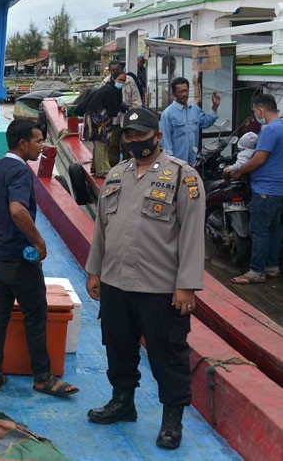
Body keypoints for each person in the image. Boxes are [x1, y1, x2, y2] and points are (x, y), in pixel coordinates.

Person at [85, 108, 205, 450]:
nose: (134, 141)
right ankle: (123, 402)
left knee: (167, 354)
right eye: (129, 135)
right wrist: (95, 270)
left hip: (160, 287)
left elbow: (193, 235)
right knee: (118, 346)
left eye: (141, 135)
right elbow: (102, 229)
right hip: (115, 282)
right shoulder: (116, 175)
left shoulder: (183, 177)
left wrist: (187, 285)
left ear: (158, 136)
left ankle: (172, 418)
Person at [0, 119, 79, 397]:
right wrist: (38, 240)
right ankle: (43, 377)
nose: (42, 146)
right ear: (23, 143)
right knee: (35, 316)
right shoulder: (21, 173)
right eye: (38, 141)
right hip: (19, 260)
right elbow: (16, 209)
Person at [230, 94, 283, 284]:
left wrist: (239, 171)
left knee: (259, 230)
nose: (256, 116)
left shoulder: (269, 131)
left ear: (260, 110)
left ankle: (256, 271)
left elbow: (259, 159)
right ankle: (272, 266)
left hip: (265, 189)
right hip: (279, 190)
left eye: (255, 112)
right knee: (274, 230)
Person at [159, 77, 220, 165]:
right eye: (181, 92)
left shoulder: (194, 109)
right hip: (176, 163)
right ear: (174, 93)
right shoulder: (167, 113)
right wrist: (170, 163)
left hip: (193, 162)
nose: (184, 94)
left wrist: (215, 107)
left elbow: (205, 123)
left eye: (186, 91)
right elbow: (165, 141)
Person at [83, 71, 127, 177]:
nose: (122, 82)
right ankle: (102, 170)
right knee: (101, 143)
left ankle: (95, 166)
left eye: (124, 81)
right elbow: (111, 108)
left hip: (100, 118)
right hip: (96, 119)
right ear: (113, 79)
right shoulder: (110, 90)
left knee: (100, 143)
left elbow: (115, 107)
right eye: (120, 80)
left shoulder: (113, 89)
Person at [103, 60, 143, 168]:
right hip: (113, 121)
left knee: (127, 144)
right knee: (112, 145)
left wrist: (133, 114)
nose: (116, 72)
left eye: (118, 69)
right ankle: (113, 169)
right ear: (110, 71)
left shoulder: (129, 81)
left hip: (127, 119)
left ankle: (126, 168)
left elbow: (137, 101)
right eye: (113, 70)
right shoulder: (106, 83)